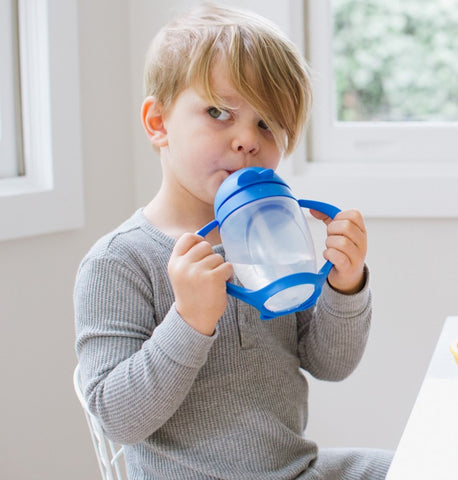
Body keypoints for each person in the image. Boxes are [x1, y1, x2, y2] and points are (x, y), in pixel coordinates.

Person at [74, 4, 393, 479]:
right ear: (158, 122)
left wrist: (345, 286)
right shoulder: (120, 262)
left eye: (268, 124)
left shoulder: (276, 238)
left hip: (293, 469)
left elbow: (331, 364)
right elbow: (118, 419)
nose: (247, 138)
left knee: (423, 463)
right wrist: (189, 321)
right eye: (219, 112)